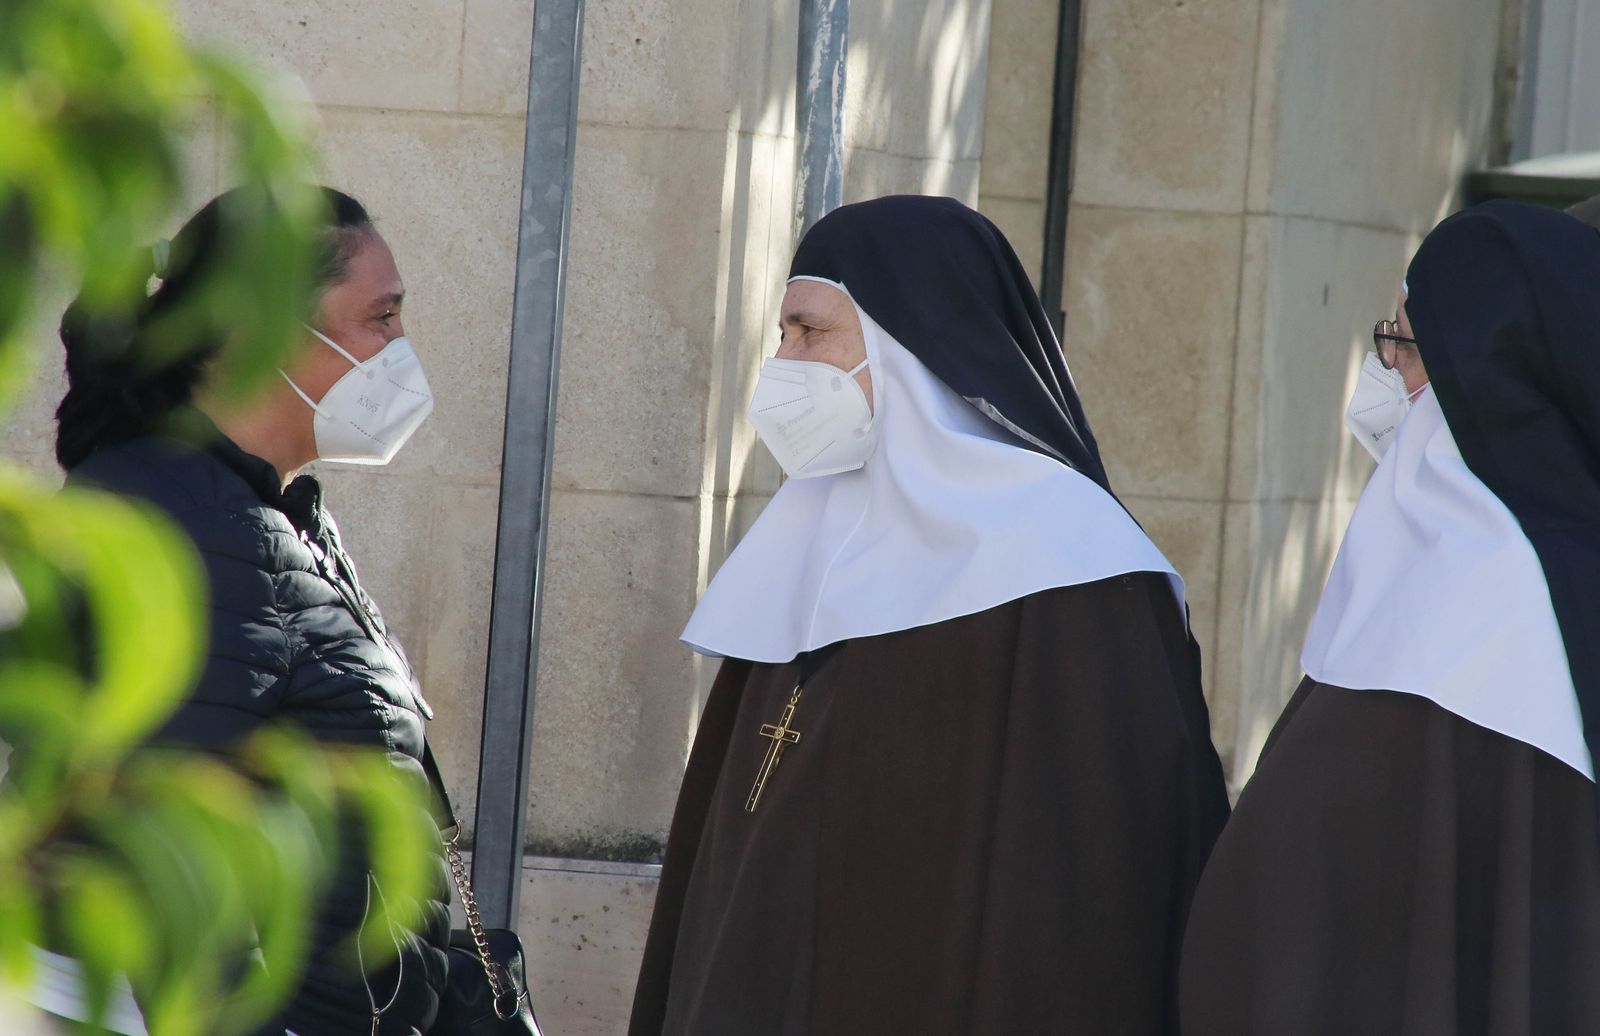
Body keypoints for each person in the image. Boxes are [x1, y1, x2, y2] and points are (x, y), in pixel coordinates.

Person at [629, 195, 1231, 1036]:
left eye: (810, 334)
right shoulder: (805, 535)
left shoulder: (1073, 559)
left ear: (908, 344)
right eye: (783, 335)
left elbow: (1107, 871)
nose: (783, 361)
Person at [1178, 200, 1600, 1033]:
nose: (1387, 373)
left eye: (1405, 344)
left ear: (1482, 365)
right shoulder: (1553, 574)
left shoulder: (1479, 589)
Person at [54, 187, 449, 1034]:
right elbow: (160, 851)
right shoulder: (184, 525)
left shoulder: (273, 514)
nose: (400, 350)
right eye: (380, 319)